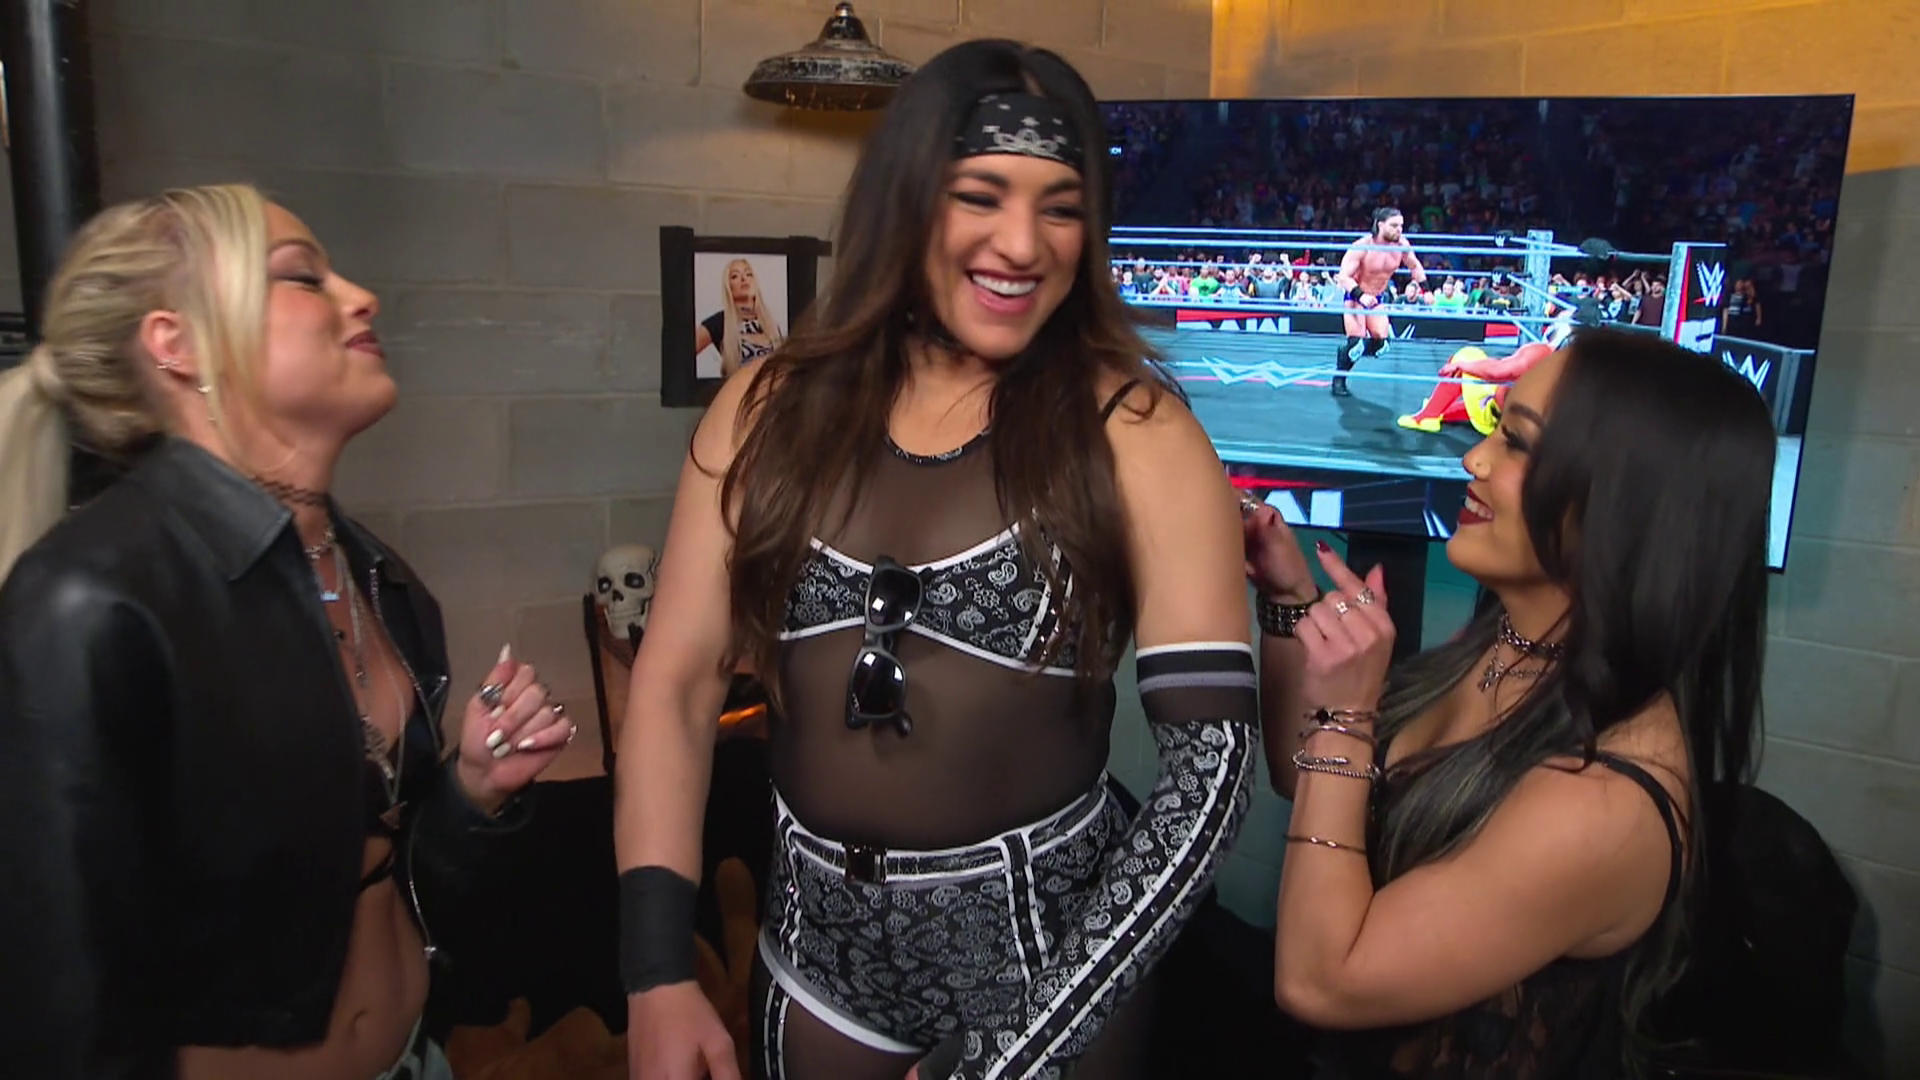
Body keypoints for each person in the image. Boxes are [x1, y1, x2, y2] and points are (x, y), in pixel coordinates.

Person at [616, 38, 1256, 1080]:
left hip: (1050, 979)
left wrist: (1020, 1049)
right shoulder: (764, 411)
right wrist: (654, 972)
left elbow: (1208, 778)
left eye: (1061, 206)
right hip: (816, 967)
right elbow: (678, 682)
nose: (1023, 243)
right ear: (909, 199)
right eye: (980, 196)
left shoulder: (1139, 434)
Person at [0, 184, 572, 1080]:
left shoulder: (378, 578)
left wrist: (471, 792)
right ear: (178, 342)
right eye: (304, 276)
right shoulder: (92, 601)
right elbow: (61, 1008)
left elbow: (383, 875)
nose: (361, 297)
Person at [1244, 327, 1775, 1077]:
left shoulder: (1602, 800)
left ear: (1623, 503)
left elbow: (1321, 982)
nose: (1475, 459)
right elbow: (1301, 781)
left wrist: (1345, 719)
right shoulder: (1505, 646)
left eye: (1517, 443)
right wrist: (1289, 605)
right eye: (1496, 428)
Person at [1331, 208, 1425, 397]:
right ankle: (1339, 380)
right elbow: (1343, 277)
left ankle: (1348, 352)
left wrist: (1428, 290)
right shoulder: (1362, 247)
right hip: (1356, 298)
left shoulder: (1402, 245)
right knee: (1356, 343)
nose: (1399, 230)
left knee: (1382, 344)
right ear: (1380, 225)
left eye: (1401, 226)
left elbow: (1414, 266)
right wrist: (1361, 295)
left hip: (1377, 299)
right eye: (1394, 225)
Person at [1395, 341, 1555, 435]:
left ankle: (1427, 417)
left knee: (1466, 356)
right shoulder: (1569, 375)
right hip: (1532, 433)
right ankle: (1439, 409)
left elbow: (1499, 372)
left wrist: (1462, 366)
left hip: (1496, 419)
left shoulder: (1544, 353)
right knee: (1485, 374)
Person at [696, 258, 786, 379]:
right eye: (735, 276)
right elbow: (682, 354)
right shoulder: (721, 322)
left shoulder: (770, 325)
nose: (744, 279)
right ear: (728, 287)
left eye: (748, 274)